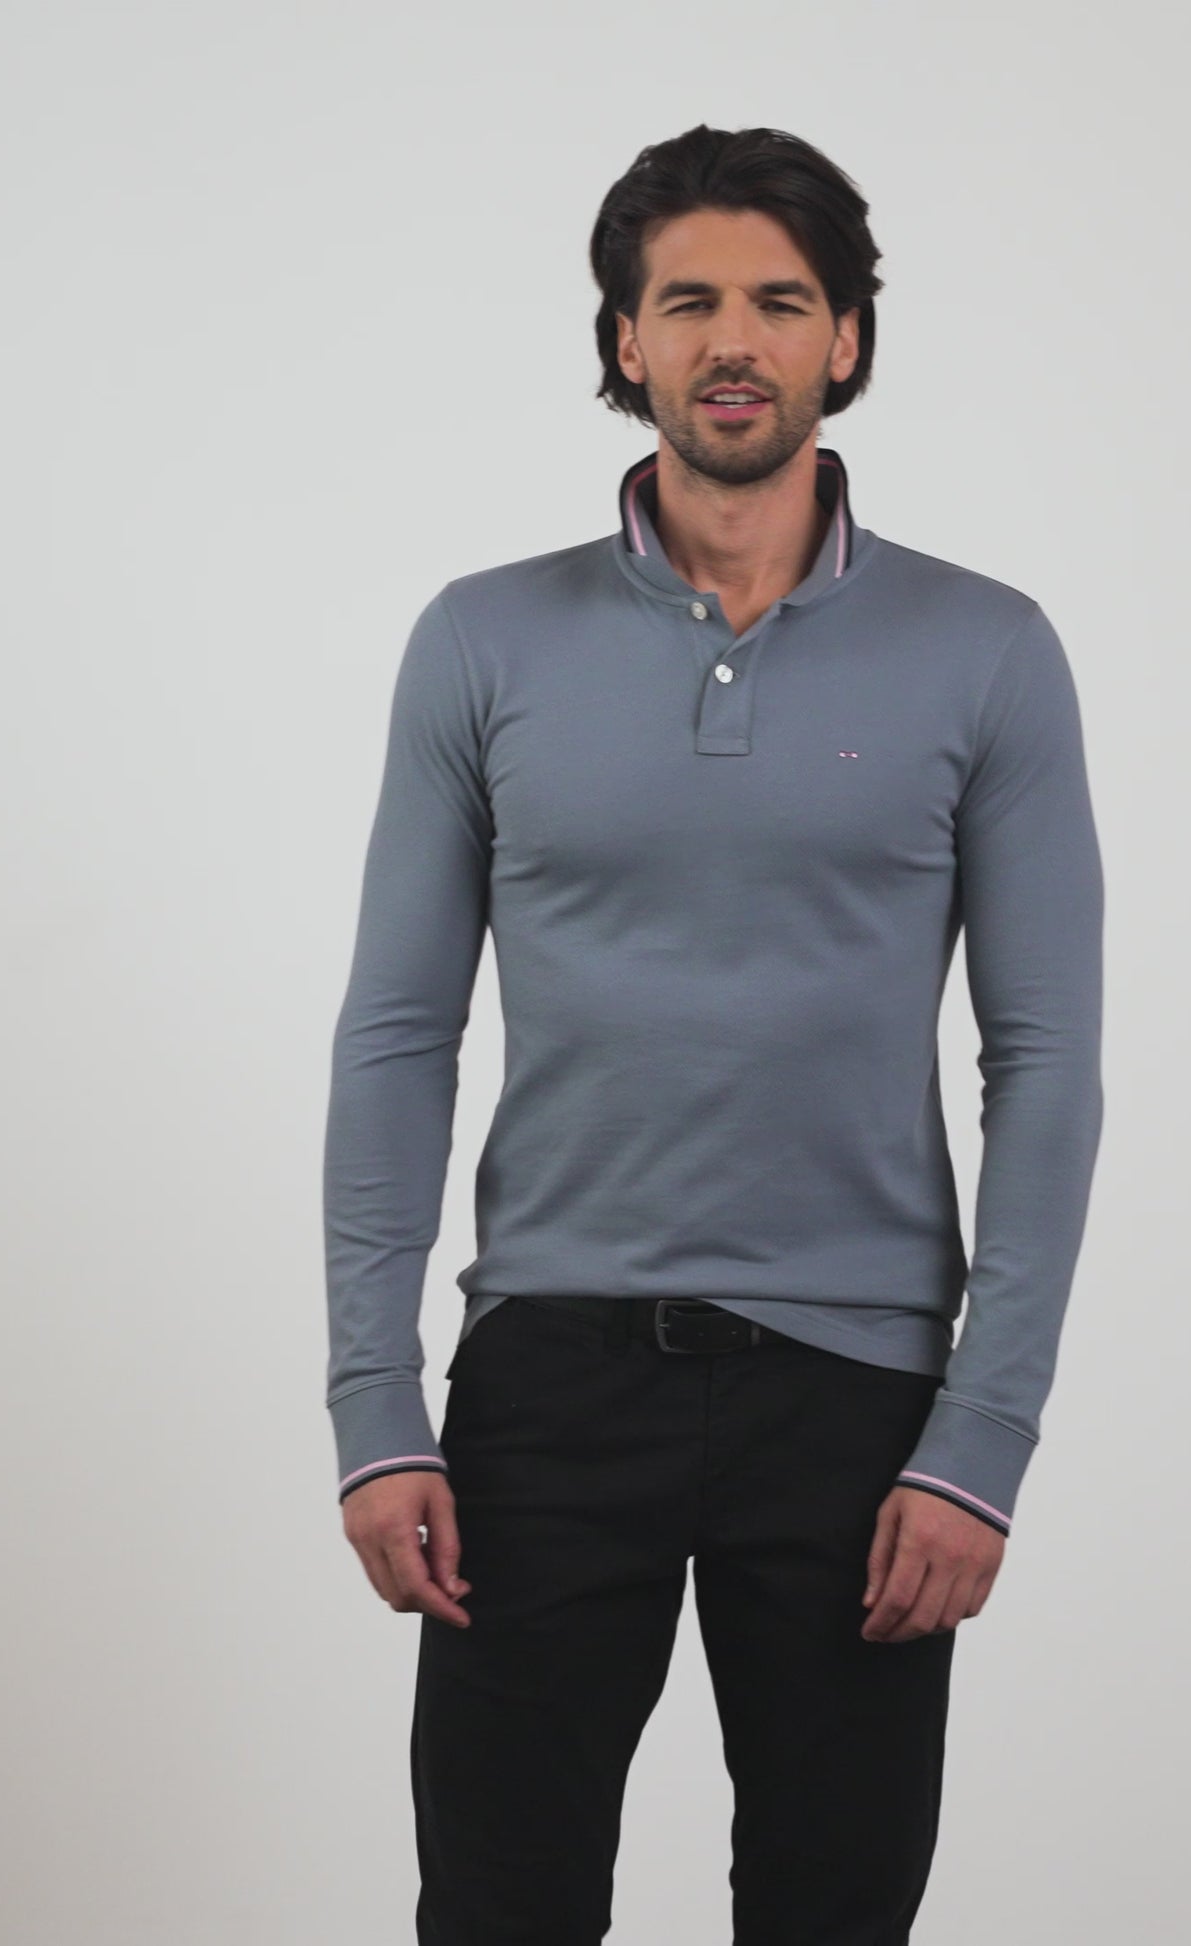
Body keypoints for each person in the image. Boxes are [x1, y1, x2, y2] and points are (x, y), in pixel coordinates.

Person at [322, 122, 1105, 1945]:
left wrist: (981, 1434)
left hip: (858, 1402)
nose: (731, 340)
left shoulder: (986, 650)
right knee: (495, 1913)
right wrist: (375, 1406)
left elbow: (1046, 1061)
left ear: (846, 338)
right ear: (625, 340)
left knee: (832, 1916)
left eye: (779, 300)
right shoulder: (481, 642)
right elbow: (396, 1032)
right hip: (544, 1380)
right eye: (686, 302)